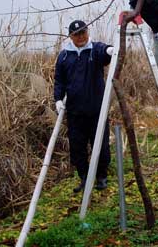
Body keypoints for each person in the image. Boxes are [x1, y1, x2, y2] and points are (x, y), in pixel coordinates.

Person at [54, 20, 114, 193]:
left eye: (83, 33)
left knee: (100, 145)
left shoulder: (95, 50)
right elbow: (59, 80)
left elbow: (105, 52)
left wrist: (110, 50)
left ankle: (101, 177)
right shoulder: (64, 56)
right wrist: (58, 99)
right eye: (76, 34)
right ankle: (84, 178)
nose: (80, 37)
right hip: (75, 112)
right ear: (71, 36)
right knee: (77, 147)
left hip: (97, 110)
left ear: (87, 32)